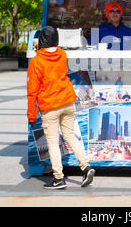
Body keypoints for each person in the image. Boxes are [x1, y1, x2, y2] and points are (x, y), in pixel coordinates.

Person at [27, 25, 95, 190]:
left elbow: (32, 90)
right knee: (70, 136)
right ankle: (85, 168)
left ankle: (58, 178)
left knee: (52, 142)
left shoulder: (36, 61)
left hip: (50, 105)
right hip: (68, 101)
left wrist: (31, 115)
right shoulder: (62, 54)